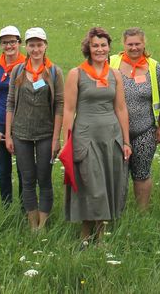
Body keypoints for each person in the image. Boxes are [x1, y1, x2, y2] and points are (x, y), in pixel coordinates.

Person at [63, 27, 131, 245]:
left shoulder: (115, 74)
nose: (100, 49)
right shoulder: (77, 74)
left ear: (109, 48)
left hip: (110, 137)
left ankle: (100, 237)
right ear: (88, 48)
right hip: (86, 136)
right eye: (95, 46)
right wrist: (66, 142)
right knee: (91, 185)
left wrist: (126, 140)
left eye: (103, 45)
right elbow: (68, 109)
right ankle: (85, 235)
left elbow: (121, 108)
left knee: (108, 184)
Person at [5, 27, 64, 231]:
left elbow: (60, 106)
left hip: (46, 134)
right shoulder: (18, 71)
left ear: (45, 46)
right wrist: (8, 135)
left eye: (39, 44)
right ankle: (32, 224)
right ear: (26, 47)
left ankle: (43, 224)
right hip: (21, 134)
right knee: (28, 179)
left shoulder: (54, 72)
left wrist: (57, 139)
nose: (35, 49)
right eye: (32, 45)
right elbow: (10, 102)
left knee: (44, 179)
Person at [109, 27, 160, 210]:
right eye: (130, 44)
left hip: (145, 130)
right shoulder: (111, 64)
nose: (134, 48)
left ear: (144, 44)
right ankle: (117, 211)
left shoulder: (154, 67)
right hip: (115, 132)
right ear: (123, 45)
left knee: (142, 173)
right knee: (118, 174)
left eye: (137, 44)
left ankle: (142, 212)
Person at [0, 26, 25, 205]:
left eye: (12, 42)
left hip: (24, 124)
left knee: (24, 169)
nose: (9, 46)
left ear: (19, 43)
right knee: (4, 170)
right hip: (0, 123)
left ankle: (26, 207)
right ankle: (6, 207)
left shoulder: (29, 64)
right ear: (0, 45)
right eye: (5, 42)